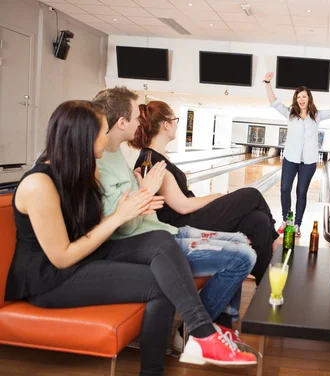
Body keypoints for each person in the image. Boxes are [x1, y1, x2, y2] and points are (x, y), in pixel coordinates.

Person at [4, 101, 256, 376]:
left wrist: (138, 198)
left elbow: (90, 228)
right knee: (161, 284)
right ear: (82, 138)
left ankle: (200, 335)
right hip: (51, 279)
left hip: (87, 255)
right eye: (102, 132)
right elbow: (61, 256)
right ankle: (190, 344)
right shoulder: (38, 184)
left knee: (160, 239)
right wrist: (119, 216)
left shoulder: (85, 170)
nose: (107, 137)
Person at [92, 87, 258, 357]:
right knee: (244, 255)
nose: (139, 122)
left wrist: (142, 189)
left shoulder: (114, 153)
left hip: (162, 231)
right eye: (136, 117)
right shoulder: (101, 161)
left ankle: (220, 323)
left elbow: (136, 207)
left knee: (241, 237)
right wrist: (146, 191)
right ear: (121, 122)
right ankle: (193, 332)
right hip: (148, 243)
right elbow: (122, 222)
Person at [128, 100, 280, 284]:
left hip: (190, 218)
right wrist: (215, 197)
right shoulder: (155, 162)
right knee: (252, 195)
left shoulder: (154, 157)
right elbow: (182, 206)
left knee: (259, 221)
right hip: (182, 225)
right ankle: (275, 239)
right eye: (175, 119)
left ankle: (263, 285)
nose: (177, 124)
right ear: (165, 125)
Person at [263, 72, 330, 237]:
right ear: (296, 99)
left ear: (309, 98)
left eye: (304, 96)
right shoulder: (290, 113)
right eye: (298, 97)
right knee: (285, 190)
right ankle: (286, 220)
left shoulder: (317, 116)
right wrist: (267, 82)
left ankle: (297, 225)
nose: (301, 99)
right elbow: (274, 102)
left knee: (301, 193)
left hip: (308, 162)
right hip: (290, 159)